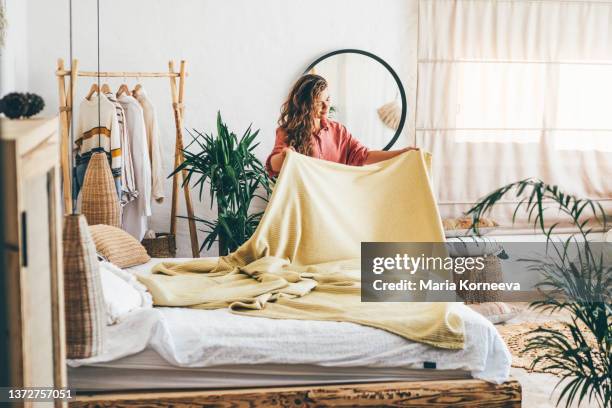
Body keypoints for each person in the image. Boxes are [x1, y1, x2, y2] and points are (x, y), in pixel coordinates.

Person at [266, 74, 418, 177]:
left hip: (335, 205)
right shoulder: (287, 131)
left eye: (328, 99)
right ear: (304, 104)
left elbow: (363, 155)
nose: (326, 107)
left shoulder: (338, 131)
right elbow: (273, 166)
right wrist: (285, 156)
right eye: (319, 103)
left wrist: (401, 153)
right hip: (304, 205)